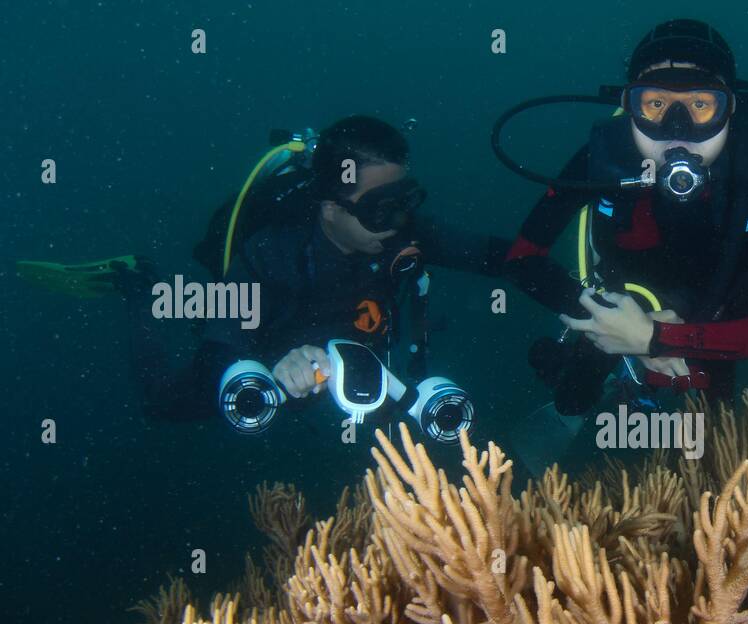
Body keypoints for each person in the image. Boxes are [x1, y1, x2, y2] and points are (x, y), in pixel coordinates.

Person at [26, 116, 508, 428]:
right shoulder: (269, 250)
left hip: (335, 349)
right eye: (381, 209)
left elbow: (506, 257)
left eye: (405, 203)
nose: (399, 223)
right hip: (260, 324)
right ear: (327, 207)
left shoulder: (404, 233)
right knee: (162, 401)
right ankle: (139, 282)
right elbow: (221, 341)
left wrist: (573, 287)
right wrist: (264, 366)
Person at [503, 19, 748, 415]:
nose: (677, 130)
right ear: (630, 107)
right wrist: (611, 325)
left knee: (714, 426)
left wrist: (657, 339)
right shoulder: (602, 157)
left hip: (712, 326)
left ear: (729, 110)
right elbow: (522, 259)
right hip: (616, 310)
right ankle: (613, 383)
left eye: (701, 105)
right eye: (655, 104)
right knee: (572, 400)